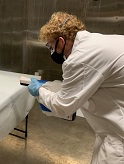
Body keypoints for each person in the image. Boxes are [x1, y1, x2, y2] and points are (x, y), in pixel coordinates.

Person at [28, 11, 124, 163]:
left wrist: (39, 91)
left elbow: (63, 106)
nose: (51, 51)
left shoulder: (80, 58)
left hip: (119, 139)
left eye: (51, 46)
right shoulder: (95, 42)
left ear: (61, 41)